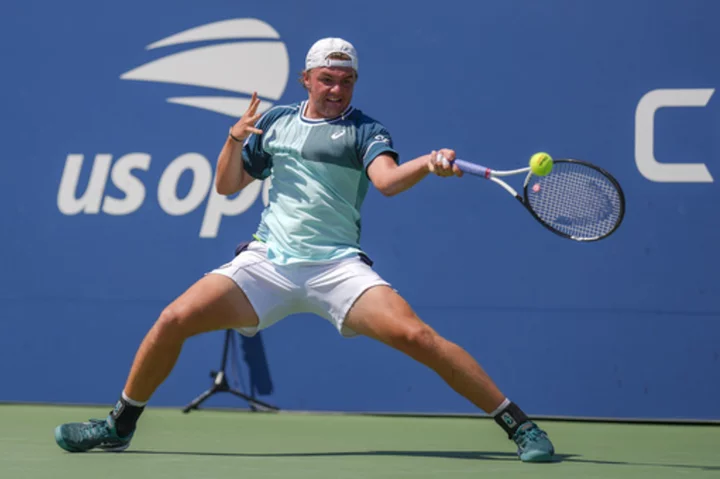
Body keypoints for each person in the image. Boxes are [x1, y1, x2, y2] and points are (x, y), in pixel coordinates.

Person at [54, 37, 555, 462]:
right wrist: (232, 140)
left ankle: (520, 426)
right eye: (327, 80)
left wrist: (427, 163)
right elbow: (227, 187)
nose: (337, 90)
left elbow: (385, 182)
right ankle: (119, 425)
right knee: (173, 319)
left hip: (337, 268)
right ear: (307, 79)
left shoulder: (366, 130)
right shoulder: (273, 123)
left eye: (346, 81)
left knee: (418, 337)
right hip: (267, 264)